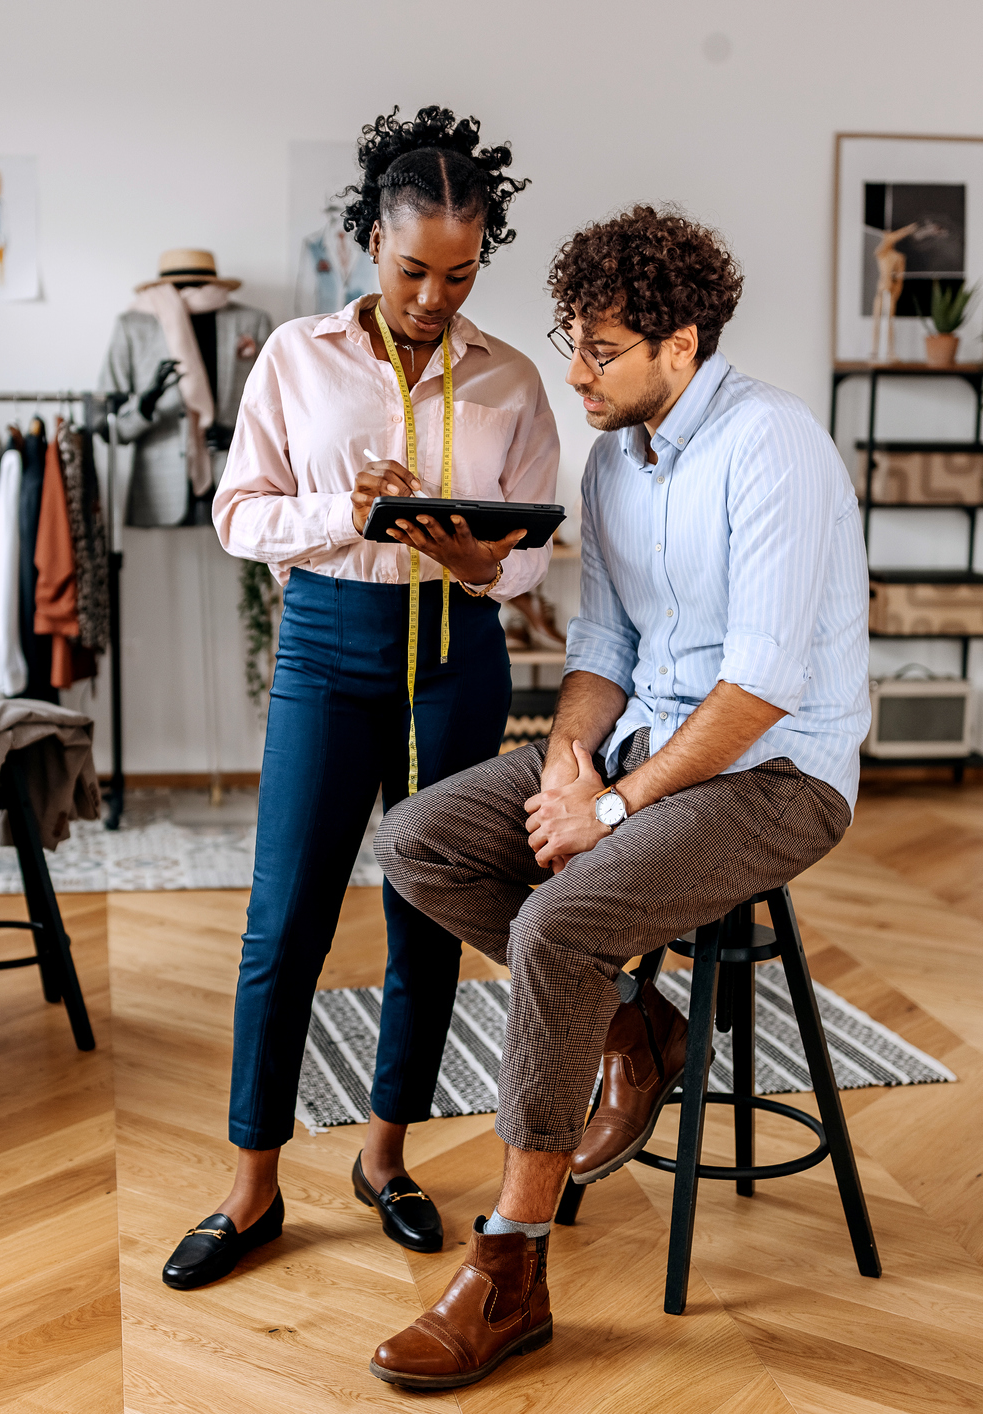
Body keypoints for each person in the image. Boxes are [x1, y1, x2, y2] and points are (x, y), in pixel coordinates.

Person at [365, 204, 871, 1389]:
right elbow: (600, 640)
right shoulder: (613, 461)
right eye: (569, 339)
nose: (573, 370)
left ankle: (510, 1266)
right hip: (649, 742)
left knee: (559, 923)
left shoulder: (773, 445)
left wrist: (612, 808)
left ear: (680, 345)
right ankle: (635, 1023)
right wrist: (562, 761)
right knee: (416, 836)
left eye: (599, 349)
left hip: (781, 774)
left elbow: (759, 689)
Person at [157, 106, 560, 1292]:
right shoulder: (294, 357)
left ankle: (384, 1160)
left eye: (458, 273)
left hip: (457, 651)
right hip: (327, 644)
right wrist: (349, 508)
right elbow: (240, 516)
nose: (434, 296)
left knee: (425, 914)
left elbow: (533, 543)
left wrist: (489, 561)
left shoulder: (514, 379)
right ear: (364, 248)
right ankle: (251, 1186)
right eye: (410, 270)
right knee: (283, 919)